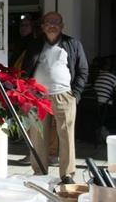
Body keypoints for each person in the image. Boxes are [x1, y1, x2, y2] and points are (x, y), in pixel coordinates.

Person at [22, 12, 88, 182]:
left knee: (66, 135)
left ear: (62, 25)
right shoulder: (35, 44)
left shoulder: (72, 43)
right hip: (38, 96)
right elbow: (25, 69)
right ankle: (39, 172)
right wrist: (27, 92)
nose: (52, 25)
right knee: (38, 135)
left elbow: (83, 70)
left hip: (64, 95)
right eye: (48, 22)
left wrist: (76, 94)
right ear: (42, 26)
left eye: (56, 22)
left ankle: (67, 175)